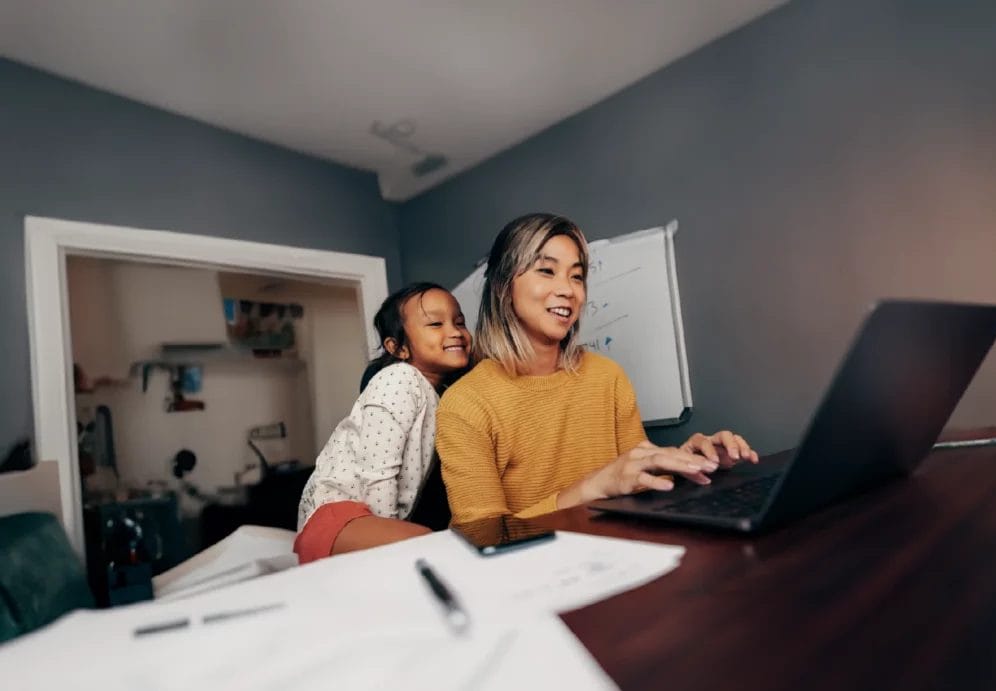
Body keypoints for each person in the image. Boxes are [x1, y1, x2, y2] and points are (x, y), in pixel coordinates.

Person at [436, 213, 758, 525]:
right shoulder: (465, 404)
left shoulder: (607, 376)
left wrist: (688, 462)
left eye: (576, 276)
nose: (568, 290)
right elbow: (483, 537)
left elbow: (635, 478)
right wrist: (592, 488)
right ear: (504, 288)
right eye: (547, 271)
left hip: (620, 550)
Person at [294, 282, 471, 562]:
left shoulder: (441, 395)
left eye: (459, 322)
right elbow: (378, 475)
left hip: (364, 523)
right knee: (428, 546)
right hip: (337, 517)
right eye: (435, 324)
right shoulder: (397, 379)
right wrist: (390, 537)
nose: (454, 332)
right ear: (398, 347)